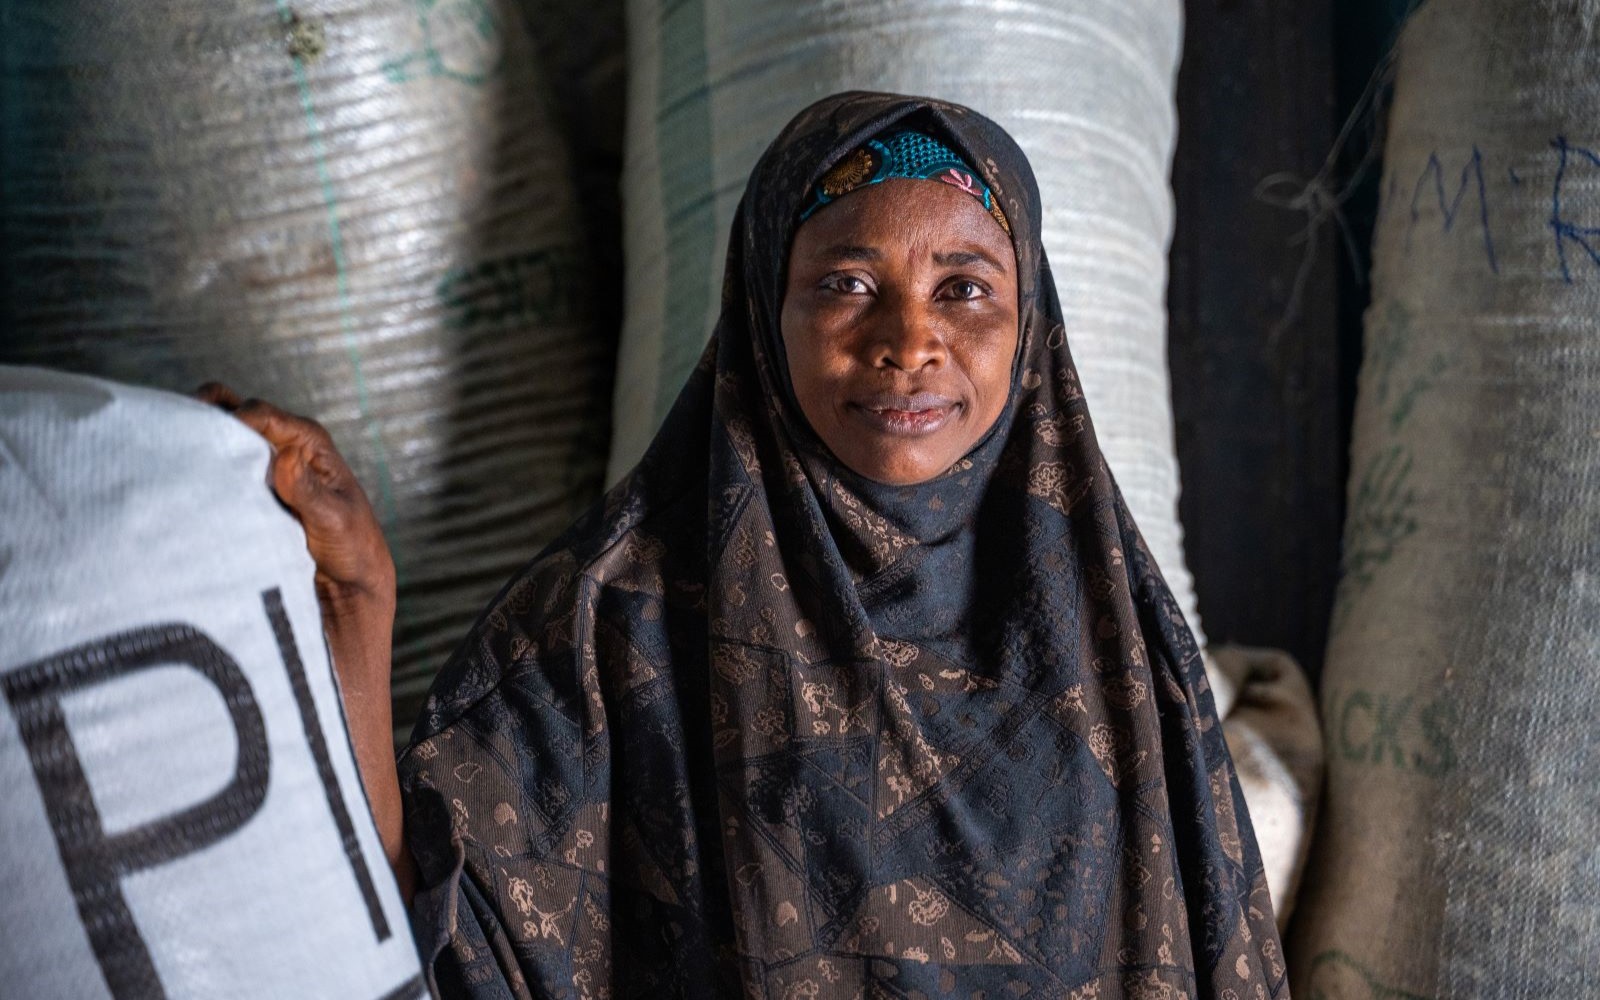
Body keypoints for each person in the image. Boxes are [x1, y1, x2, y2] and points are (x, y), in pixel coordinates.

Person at [206, 92, 1286, 998]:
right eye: (845, 285)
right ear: (765, 311)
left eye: (965, 289)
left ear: (1031, 325)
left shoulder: (1105, 628)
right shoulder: (617, 619)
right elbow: (425, 926)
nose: (908, 339)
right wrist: (357, 605)